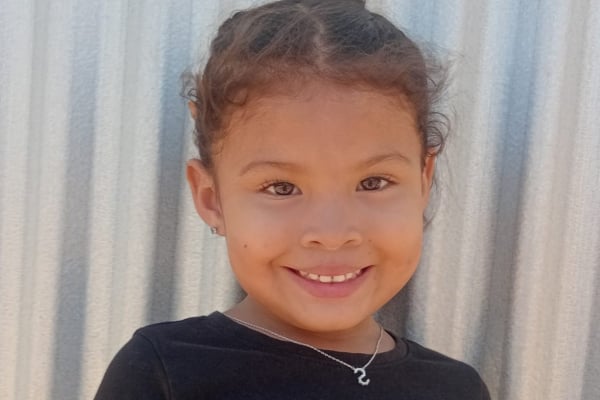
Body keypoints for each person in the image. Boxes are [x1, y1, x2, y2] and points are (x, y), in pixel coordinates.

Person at [95, 0, 490, 398]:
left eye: (374, 182)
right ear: (212, 199)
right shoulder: (164, 371)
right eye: (281, 188)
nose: (332, 234)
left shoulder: (456, 388)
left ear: (423, 182)